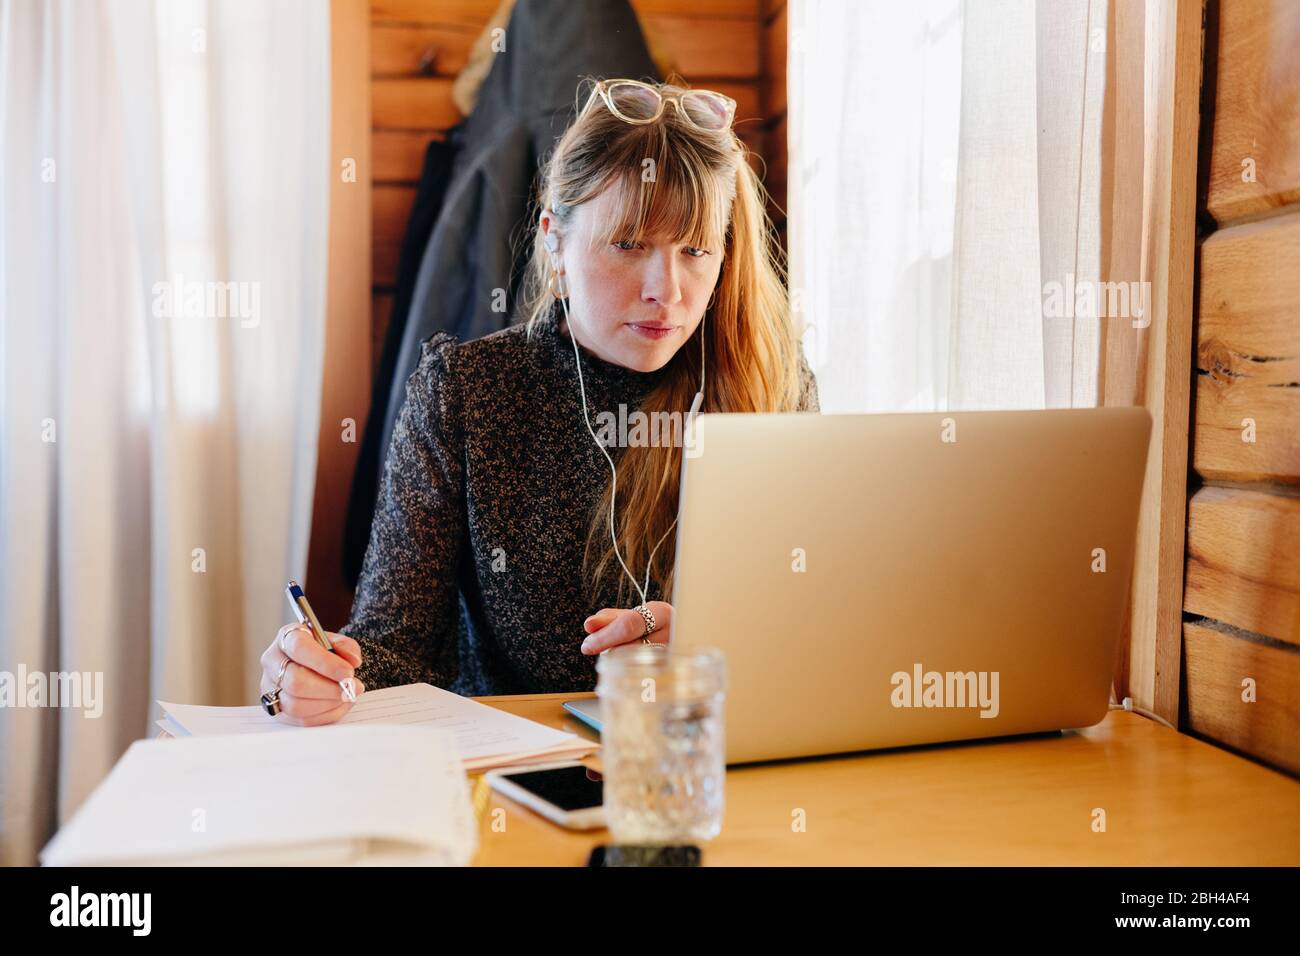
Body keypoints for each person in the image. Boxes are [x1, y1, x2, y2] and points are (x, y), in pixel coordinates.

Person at [259, 77, 819, 725]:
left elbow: (813, 610)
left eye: (695, 251)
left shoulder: (773, 380)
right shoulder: (467, 390)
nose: (665, 289)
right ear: (555, 240)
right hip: (514, 780)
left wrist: (716, 642)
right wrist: (318, 672)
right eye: (629, 245)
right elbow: (396, 646)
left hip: (718, 756)